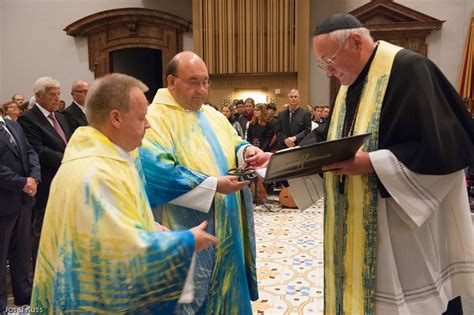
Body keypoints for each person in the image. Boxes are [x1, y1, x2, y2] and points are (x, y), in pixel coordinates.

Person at [280, 12, 474, 315]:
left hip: (401, 223)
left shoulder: (411, 69)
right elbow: (331, 134)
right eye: (323, 64)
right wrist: (280, 160)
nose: (329, 72)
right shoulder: (351, 82)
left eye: (329, 60)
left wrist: (373, 162)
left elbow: (445, 147)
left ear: (356, 42)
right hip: (356, 218)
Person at [31, 73, 218, 313]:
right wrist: (185, 242)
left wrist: (147, 225)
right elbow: (118, 253)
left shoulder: (104, 156)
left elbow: (109, 226)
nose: (148, 125)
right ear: (116, 118)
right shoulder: (96, 173)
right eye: (142, 118)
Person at [138, 51, 269, 314]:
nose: (202, 90)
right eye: (193, 82)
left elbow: (234, 144)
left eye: (206, 82)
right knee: (195, 299)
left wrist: (247, 152)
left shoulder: (212, 115)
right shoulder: (154, 118)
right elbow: (156, 172)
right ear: (171, 81)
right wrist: (213, 185)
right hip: (188, 225)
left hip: (228, 222)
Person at [17, 77, 72, 273]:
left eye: (58, 94)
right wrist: (70, 158)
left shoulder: (61, 116)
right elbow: (38, 150)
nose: (57, 98)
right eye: (52, 94)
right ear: (39, 95)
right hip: (48, 181)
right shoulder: (29, 119)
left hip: (66, 179)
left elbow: (69, 142)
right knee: (43, 228)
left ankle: (61, 268)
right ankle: (41, 271)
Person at [0, 114, 40, 312]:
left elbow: (30, 151)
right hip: (4, 201)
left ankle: (23, 293)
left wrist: (34, 177)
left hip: (24, 200)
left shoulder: (12, 125)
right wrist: (22, 182)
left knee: (22, 252)